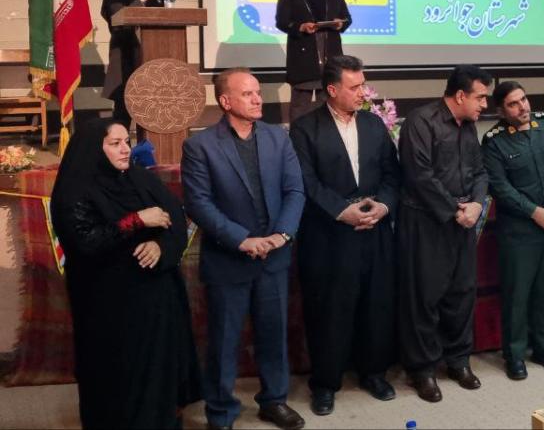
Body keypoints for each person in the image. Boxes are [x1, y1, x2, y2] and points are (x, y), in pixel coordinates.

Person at [50, 118, 201, 429]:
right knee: (117, 381)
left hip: (156, 302)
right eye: (115, 143)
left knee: (159, 374)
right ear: (95, 149)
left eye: (126, 142)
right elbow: (86, 242)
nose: (125, 149)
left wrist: (161, 246)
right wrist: (137, 220)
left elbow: (174, 217)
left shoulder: (139, 178)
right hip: (108, 307)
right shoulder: (74, 189)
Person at [182, 68, 306, 430]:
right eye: (248, 94)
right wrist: (241, 239)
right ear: (225, 101)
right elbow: (199, 203)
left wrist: (282, 235)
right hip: (228, 259)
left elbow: (294, 190)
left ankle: (274, 401)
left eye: (258, 92)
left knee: (273, 335)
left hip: (274, 256)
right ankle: (221, 412)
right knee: (224, 341)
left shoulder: (278, 137)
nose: (257, 99)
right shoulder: (200, 146)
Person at [289, 55, 401, 416]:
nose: (362, 92)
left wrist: (384, 206)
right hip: (330, 234)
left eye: (363, 84)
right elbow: (306, 181)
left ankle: (373, 373)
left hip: (375, 230)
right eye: (354, 87)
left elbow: (392, 174)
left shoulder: (373, 124)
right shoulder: (305, 128)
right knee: (329, 309)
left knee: (376, 304)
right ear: (332, 90)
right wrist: (341, 211)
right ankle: (325, 383)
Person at [395, 65, 491, 403]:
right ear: (461, 95)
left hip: (462, 221)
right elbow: (419, 176)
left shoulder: (469, 126)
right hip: (426, 221)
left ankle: (458, 361)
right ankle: (422, 370)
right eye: (481, 97)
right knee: (424, 297)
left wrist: (476, 204)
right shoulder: (421, 121)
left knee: (461, 293)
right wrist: (455, 210)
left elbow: (480, 171)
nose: (485, 105)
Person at [482, 81, 544, 381]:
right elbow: (500, 187)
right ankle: (514, 354)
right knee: (518, 295)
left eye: (523, 99)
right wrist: (535, 212)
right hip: (520, 232)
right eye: (513, 104)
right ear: (501, 111)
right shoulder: (494, 141)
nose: (522, 107)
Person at [275, 0, 352, 122]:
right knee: (300, 109)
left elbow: (347, 18)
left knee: (330, 107)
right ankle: (298, 138)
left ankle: (327, 136)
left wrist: (341, 23)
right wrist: (300, 27)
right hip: (304, 59)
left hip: (330, 56)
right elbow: (282, 21)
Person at [100, 0, 164, 126]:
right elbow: (118, 18)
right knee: (125, 101)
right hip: (126, 51)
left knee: (153, 101)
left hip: (151, 52)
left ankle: (149, 141)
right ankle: (121, 139)